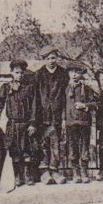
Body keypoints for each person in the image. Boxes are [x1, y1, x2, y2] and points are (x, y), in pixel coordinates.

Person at [0, 58, 40, 188]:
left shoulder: (30, 88)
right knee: (14, 151)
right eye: (16, 72)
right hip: (13, 124)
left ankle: (28, 175)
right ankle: (17, 176)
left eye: (21, 72)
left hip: (26, 124)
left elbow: (34, 106)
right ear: (11, 73)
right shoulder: (6, 87)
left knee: (28, 150)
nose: (19, 75)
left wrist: (33, 123)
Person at [32, 48, 70, 184]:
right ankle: (44, 172)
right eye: (48, 58)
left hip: (57, 114)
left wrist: (65, 116)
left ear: (57, 58)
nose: (51, 61)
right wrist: (34, 118)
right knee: (43, 143)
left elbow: (66, 97)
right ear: (44, 60)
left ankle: (55, 170)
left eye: (53, 58)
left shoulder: (63, 74)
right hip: (42, 116)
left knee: (56, 143)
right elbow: (35, 98)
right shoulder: (38, 75)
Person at [64, 66, 99, 182]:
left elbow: (95, 103)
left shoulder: (87, 88)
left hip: (84, 122)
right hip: (70, 123)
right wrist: (63, 120)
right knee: (72, 148)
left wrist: (85, 105)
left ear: (81, 74)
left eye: (77, 72)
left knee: (84, 148)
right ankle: (76, 173)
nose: (74, 75)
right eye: (72, 72)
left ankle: (84, 172)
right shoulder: (65, 88)